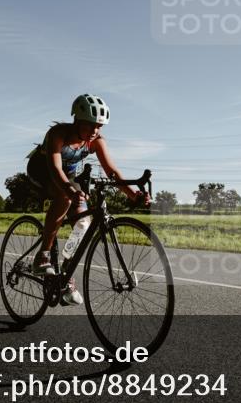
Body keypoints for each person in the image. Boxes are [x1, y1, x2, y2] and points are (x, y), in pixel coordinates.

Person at [25, 94, 149, 305]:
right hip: (42, 172)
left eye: (99, 126)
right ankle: (43, 255)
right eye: (90, 125)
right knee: (65, 196)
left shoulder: (97, 141)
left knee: (83, 224)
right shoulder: (58, 134)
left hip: (68, 178)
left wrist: (132, 194)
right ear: (77, 121)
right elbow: (55, 169)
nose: (94, 131)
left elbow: (112, 172)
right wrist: (70, 190)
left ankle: (66, 278)